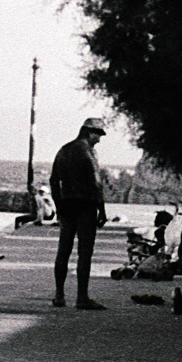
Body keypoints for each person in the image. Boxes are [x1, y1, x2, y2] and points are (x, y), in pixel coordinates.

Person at [49, 118, 109, 309]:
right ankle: (82, 297)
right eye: (98, 134)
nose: (99, 139)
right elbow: (96, 183)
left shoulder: (64, 150)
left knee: (63, 251)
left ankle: (59, 295)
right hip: (85, 205)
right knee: (85, 252)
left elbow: (53, 181)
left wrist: (59, 206)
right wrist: (102, 209)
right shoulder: (88, 152)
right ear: (88, 132)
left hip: (66, 205)